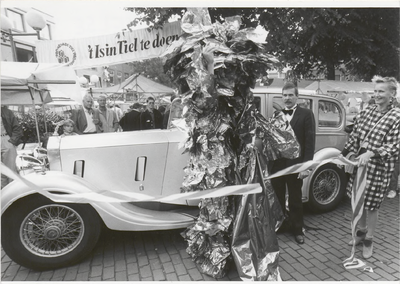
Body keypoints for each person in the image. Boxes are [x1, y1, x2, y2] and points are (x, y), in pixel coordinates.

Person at [340, 76, 400, 259]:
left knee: (372, 205)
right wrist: (346, 154)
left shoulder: (396, 116)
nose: (377, 95)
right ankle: (361, 232)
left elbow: (393, 146)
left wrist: (371, 153)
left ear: (392, 93)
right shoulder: (366, 112)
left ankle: (369, 239)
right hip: (359, 165)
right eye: (375, 91)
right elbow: (354, 136)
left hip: (378, 169)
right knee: (359, 201)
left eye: (381, 91)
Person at [269, 82, 316, 245]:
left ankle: (297, 230)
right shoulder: (277, 115)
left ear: (297, 96)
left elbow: (310, 142)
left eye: (290, 95)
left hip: (296, 165)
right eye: (284, 95)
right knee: (278, 198)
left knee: (295, 198)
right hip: (278, 165)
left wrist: (306, 167)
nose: (287, 98)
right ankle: (281, 225)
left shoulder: (306, 114)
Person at [1, 106, 24, 188]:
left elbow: (17, 127)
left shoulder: (7, 112)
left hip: (5, 139)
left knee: (11, 169)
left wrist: (12, 141)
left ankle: (12, 192)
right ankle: (3, 195)